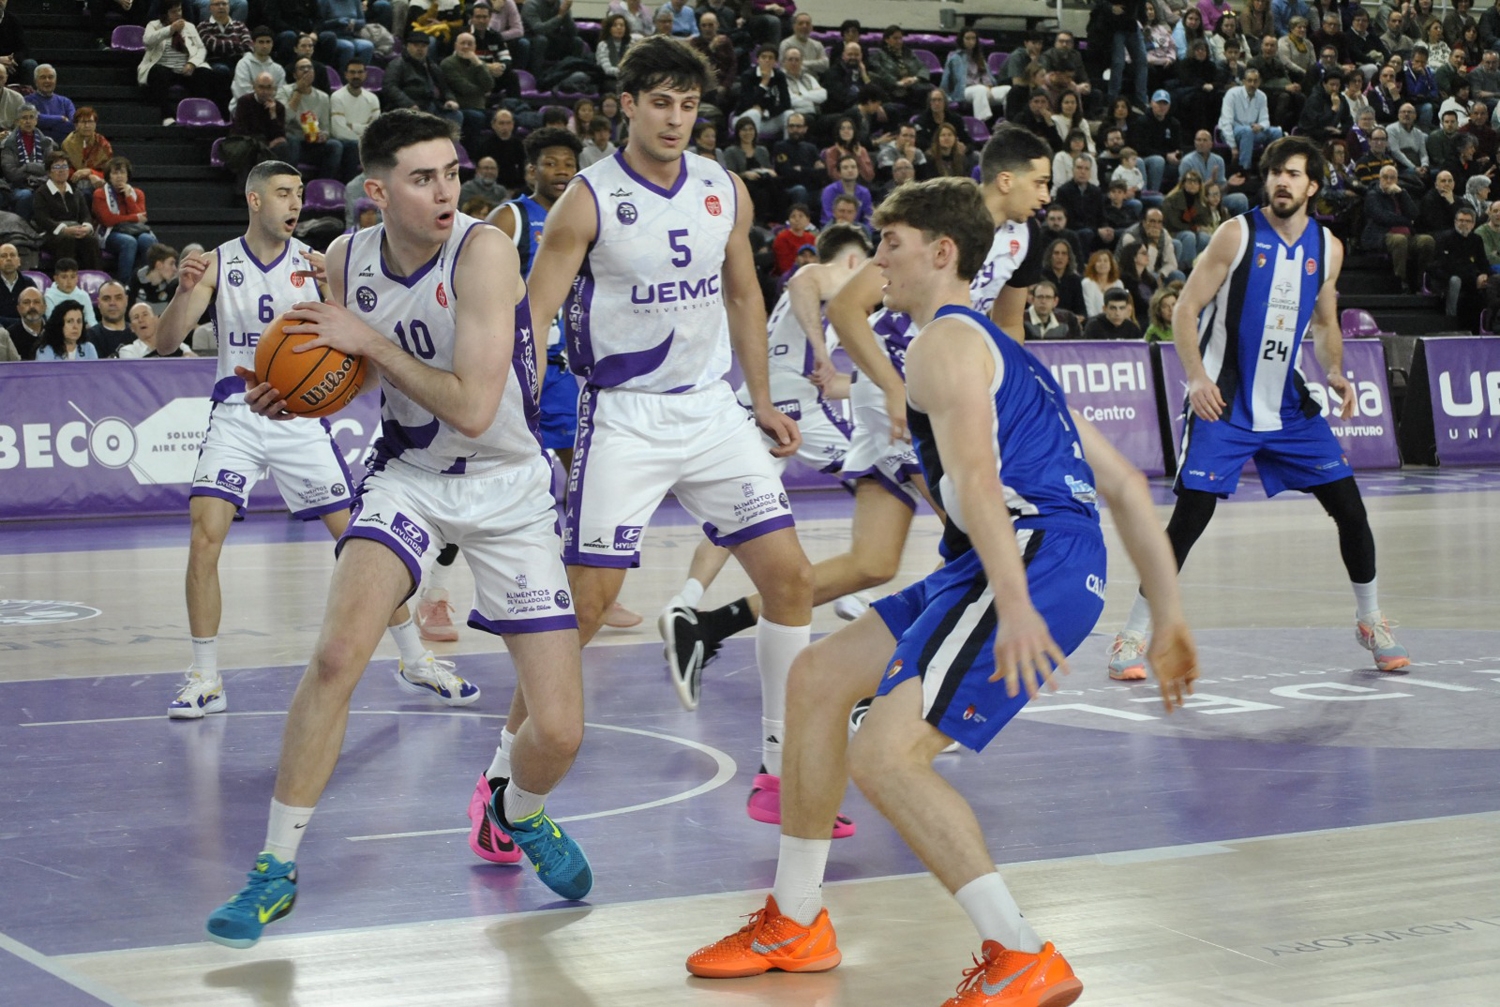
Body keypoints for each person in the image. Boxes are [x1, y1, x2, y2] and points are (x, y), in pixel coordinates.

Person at [684, 173, 1199, 1003]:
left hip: (1028, 557)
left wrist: (1017, 601)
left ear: (942, 252)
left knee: (886, 756)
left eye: (891, 244)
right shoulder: (1008, 355)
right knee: (817, 678)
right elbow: (1129, 488)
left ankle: (1020, 951)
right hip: (1019, 560)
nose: (878, 259)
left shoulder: (941, 345)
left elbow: (982, 481)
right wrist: (1167, 613)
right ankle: (796, 919)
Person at [204, 110, 591, 948]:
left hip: (509, 488)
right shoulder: (347, 259)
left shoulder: (484, 251)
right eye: (423, 178)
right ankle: (274, 867)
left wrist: (367, 341)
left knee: (560, 729)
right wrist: (293, 391)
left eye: (451, 171)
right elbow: (345, 369)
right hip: (409, 478)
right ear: (377, 193)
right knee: (337, 654)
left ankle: (517, 809)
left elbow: (474, 406)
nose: (447, 190)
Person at [520, 43, 814, 838]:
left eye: (687, 105)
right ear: (628, 105)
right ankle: (504, 780)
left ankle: (779, 773)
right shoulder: (588, 199)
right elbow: (533, 315)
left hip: (711, 410)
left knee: (790, 578)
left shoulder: (724, 187)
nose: (675, 119)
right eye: (660, 102)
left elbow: (744, 294)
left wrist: (760, 398)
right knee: (588, 604)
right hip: (623, 415)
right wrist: (516, 409)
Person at [153, 158, 469, 720]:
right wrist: (182, 292)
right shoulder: (218, 263)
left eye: (299, 192)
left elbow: (359, 343)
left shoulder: (318, 265)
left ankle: (414, 661)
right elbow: (165, 341)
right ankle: (205, 676)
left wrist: (337, 293)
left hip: (301, 419)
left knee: (362, 543)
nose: (296, 203)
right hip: (238, 412)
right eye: (283, 193)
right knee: (204, 536)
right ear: (255, 200)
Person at [1108, 135, 1410, 682]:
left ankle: (1370, 621)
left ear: (1312, 186)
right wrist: (1196, 377)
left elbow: (1325, 323)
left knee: (1350, 509)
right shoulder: (1236, 234)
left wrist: (1335, 371)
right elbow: (1186, 309)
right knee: (1189, 521)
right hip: (1223, 403)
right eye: (1275, 173)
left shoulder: (1328, 248)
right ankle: (1132, 633)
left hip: (1288, 406)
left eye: (1293, 174)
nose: (1281, 182)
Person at [140, 3, 219, 126]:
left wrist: (192, 63)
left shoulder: (189, 26)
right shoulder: (154, 25)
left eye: (179, 10)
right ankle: (167, 115)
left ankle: (199, 113)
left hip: (185, 69)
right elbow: (147, 41)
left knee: (205, 73)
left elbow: (201, 48)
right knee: (158, 72)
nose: (178, 14)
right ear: (165, 14)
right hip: (164, 68)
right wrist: (170, 29)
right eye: (173, 11)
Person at [34, 153, 102, 271]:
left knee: (91, 241)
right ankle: (66, 276)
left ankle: (94, 276)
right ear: (49, 172)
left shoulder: (76, 191)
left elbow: (85, 214)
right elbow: (42, 219)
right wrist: (64, 229)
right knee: (67, 239)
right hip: (51, 233)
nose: (61, 170)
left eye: (64, 166)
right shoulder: (41, 192)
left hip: (75, 230)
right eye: (56, 167)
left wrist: (86, 227)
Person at [383, 32, 462, 127]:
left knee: (455, 115)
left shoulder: (432, 65)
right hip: (407, 107)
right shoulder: (397, 64)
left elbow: (444, 87)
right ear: (408, 46)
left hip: (431, 105)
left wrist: (450, 99)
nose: (420, 49)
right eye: (416, 45)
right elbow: (390, 87)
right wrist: (409, 104)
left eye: (423, 46)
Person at [1433, 202, 1490, 325]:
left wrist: (1484, 274)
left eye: (1467, 221)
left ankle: (1487, 323)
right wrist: (1474, 277)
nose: (1463, 223)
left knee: (1491, 281)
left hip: (1470, 276)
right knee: (1455, 280)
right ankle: (1451, 318)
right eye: (1460, 220)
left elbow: (1483, 261)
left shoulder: (1476, 239)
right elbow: (1444, 264)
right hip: (1446, 276)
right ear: (1455, 222)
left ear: (1473, 224)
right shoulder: (1444, 238)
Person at [1219, 67, 1283, 170]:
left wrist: (1261, 126)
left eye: (1255, 81)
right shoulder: (1232, 94)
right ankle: (1244, 170)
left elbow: (1265, 120)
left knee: (1277, 132)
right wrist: (1233, 146)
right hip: (1232, 132)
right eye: (1249, 81)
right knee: (1247, 131)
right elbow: (1226, 122)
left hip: (1252, 131)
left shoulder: (1262, 96)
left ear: (1259, 82)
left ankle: (1271, 169)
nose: (1252, 84)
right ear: (1244, 82)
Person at [2, 106, 52, 218]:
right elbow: (11, 173)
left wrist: (27, 166)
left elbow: (51, 169)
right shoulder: (9, 143)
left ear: (36, 121)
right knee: (25, 195)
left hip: (42, 183)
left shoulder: (46, 142)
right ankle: (22, 226)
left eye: (31, 117)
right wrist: (35, 171)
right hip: (17, 186)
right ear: (17, 121)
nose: (28, 121)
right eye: (24, 118)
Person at [60, 107, 112, 192]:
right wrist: (86, 175)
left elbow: (108, 171)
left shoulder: (103, 144)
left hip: (98, 181)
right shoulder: (67, 144)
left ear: (95, 124)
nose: (87, 126)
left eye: (90, 122)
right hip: (73, 182)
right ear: (76, 125)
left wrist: (90, 172)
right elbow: (65, 169)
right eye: (83, 122)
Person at [232, 27, 285, 101]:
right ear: (253, 43)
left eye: (268, 42)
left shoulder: (278, 69)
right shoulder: (244, 64)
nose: (265, 46)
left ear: (272, 44)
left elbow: (281, 95)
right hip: (244, 106)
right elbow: (242, 93)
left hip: (271, 106)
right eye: (261, 42)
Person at [86, 280, 132, 357]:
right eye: (106, 299)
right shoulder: (89, 338)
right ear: (99, 303)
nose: (112, 303)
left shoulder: (139, 333)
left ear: (126, 300)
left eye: (118, 298)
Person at [0, 241, 35, 328]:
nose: (8, 259)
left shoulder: (28, 283)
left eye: (12, 255)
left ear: (19, 261)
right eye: (3, 256)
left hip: (25, 331)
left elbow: (37, 311)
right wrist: (21, 323)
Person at [6, 285, 43, 359]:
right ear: (18, 309)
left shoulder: (56, 331)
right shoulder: (9, 335)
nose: (32, 306)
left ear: (44, 307)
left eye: (36, 302)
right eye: (26, 302)